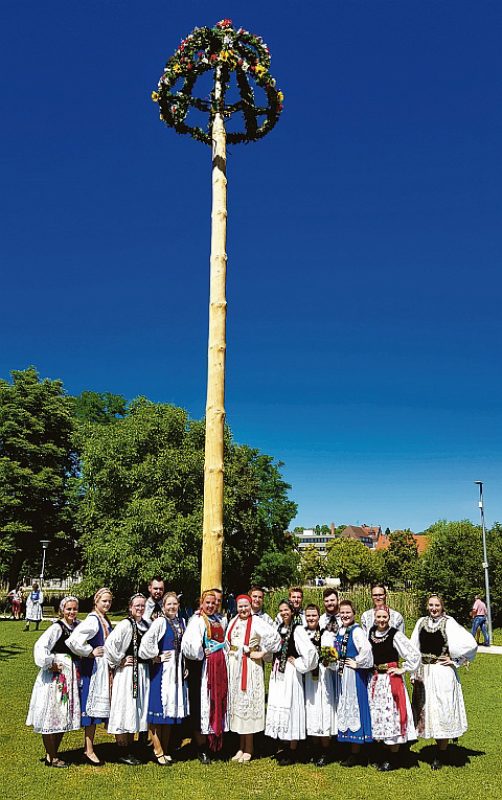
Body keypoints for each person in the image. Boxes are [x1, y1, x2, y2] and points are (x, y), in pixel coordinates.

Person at [410, 594, 477, 770]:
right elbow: (413, 649)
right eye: (431, 605)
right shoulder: (420, 623)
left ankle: (441, 753)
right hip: (424, 672)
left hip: (442, 674)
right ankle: (435, 750)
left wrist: (455, 661)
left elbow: (470, 644)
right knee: (428, 710)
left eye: (437, 605)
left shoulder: (449, 623)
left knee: (443, 710)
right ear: (427, 606)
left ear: (442, 606)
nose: (433, 608)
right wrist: (413, 672)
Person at [26, 596, 81, 767]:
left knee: (63, 715)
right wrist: (50, 664)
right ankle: (52, 755)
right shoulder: (57, 628)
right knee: (52, 714)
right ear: (62, 610)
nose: (72, 612)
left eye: (74, 609)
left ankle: (53, 753)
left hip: (70, 676)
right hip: (56, 678)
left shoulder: (78, 626)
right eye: (68, 609)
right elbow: (41, 646)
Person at [226, 594, 281, 763]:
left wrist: (261, 651)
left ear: (250, 606)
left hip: (249, 667)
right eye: (240, 606)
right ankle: (240, 747)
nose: (243, 609)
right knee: (238, 705)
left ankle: (249, 748)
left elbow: (275, 638)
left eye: (246, 606)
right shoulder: (233, 620)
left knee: (247, 705)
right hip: (235, 667)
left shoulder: (256, 621)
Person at [139, 591, 189, 766]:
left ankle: (165, 749)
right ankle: (157, 750)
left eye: (175, 604)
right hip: (162, 672)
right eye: (169, 604)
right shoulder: (160, 622)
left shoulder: (182, 622)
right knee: (158, 712)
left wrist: (184, 666)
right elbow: (146, 643)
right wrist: (156, 656)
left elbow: (185, 648)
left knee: (169, 713)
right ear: (163, 606)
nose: (172, 607)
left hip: (176, 672)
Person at [265, 599, 317, 765]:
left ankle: (294, 748)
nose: (283, 612)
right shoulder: (279, 628)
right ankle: (284, 745)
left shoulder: (298, 629)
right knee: (280, 705)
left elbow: (310, 653)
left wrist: (299, 663)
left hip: (290, 674)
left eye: (286, 610)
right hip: (277, 674)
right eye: (281, 610)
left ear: (292, 611)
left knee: (291, 705)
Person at [367, 607, 420, 771]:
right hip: (376, 679)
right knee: (380, 716)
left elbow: (414, 654)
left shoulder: (395, 634)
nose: (381, 620)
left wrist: (402, 669)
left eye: (384, 617)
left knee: (392, 716)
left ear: (389, 618)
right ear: (374, 617)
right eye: (378, 617)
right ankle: (383, 753)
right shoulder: (371, 632)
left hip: (391, 682)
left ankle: (394, 757)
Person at [67, 587, 113, 766]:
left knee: (96, 710)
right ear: (96, 602)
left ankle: (91, 747)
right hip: (93, 669)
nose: (107, 604)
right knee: (91, 710)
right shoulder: (93, 620)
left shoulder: (103, 618)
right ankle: (89, 749)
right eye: (104, 601)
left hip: (102, 668)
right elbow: (73, 640)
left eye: (109, 601)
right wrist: (89, 652)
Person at [182, 590, 228, 764]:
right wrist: (202, 652)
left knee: (216, 702)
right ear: (201, 603)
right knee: (203, 704)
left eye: (213, 603)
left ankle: (214, 743)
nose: (210, 605)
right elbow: (189, 645)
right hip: (203, 669)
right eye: (207, 603)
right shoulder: (197, 621)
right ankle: (201, 747)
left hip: (219, 667)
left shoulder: (218, 620)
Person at [104, 593, 150, 765]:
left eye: (142, 605)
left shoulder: (145, 624)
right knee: (125, 707)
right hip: (128, 675)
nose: (140, 608)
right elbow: (110, 645)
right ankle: (122, 749)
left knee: (136, 709)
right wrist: (120, 660)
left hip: (142, 673)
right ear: (130, 607)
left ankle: (132, 746)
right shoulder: (126, 624)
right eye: (136, 605)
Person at [336, 599, 373, 766]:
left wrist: (356, 662)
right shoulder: (341, 630)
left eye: (347, 612)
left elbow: (366, 650)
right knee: (345, 706)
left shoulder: (357, 631)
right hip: (342, 675)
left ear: (353, 613)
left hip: (353, 675)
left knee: (354, 707)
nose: (344, 615)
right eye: (342, 612)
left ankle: (357, 751)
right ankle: (349, 746)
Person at [304, 603, 339, 766]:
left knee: (323, 709)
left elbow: (333, 656)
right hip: (309, 677)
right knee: (311, 708)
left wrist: (328, 660)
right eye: (308, 616)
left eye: (314, 615)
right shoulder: (302, 633)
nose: (311, 618)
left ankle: (326, 750)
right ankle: (314, 748)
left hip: (323, 677)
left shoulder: (326, 634)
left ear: (319, 617)